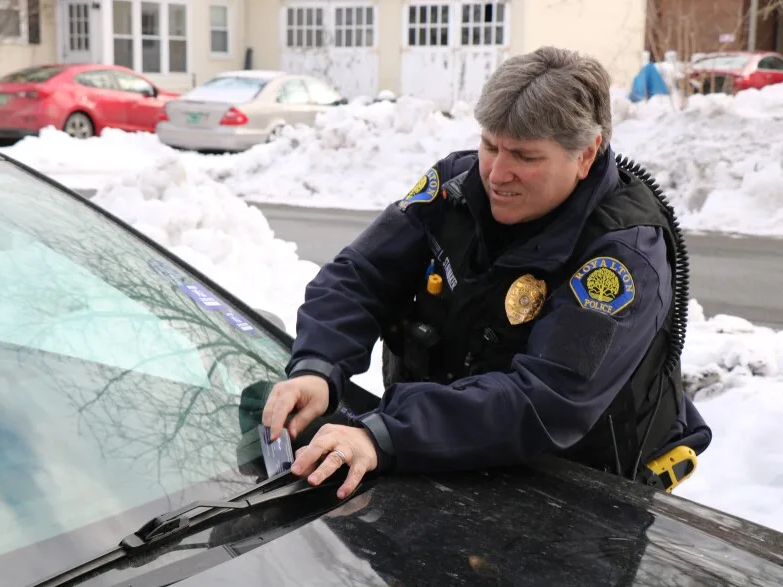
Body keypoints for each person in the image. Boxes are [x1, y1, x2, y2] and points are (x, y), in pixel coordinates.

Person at [261, 46, 712, 500]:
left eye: (525, 156)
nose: (497, 173)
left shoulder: (621, 258)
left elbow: (544, 401)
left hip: (573, 501)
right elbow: (361, 275)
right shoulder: (457, 186)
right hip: (433, 467)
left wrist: (387, 432)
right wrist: (318, 366)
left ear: (586, 155)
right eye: (490, 145)